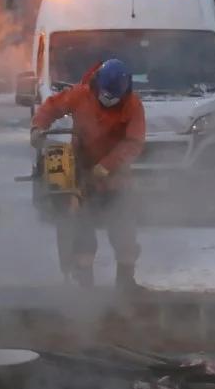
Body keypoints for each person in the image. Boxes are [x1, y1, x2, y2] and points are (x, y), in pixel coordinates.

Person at [30, 58, 147, 294]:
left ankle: (126, 284)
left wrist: (107, 165)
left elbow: (134, 142)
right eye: (104, 95)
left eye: (113, 98)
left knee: (123, 229)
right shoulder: (80, 95)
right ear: (96, 86)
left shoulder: (133, 106)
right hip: (81, 171)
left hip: (116, 176)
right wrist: (38, 128)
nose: (107, 101)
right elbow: (51, 107)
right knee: (82, 230)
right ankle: (85, 288)